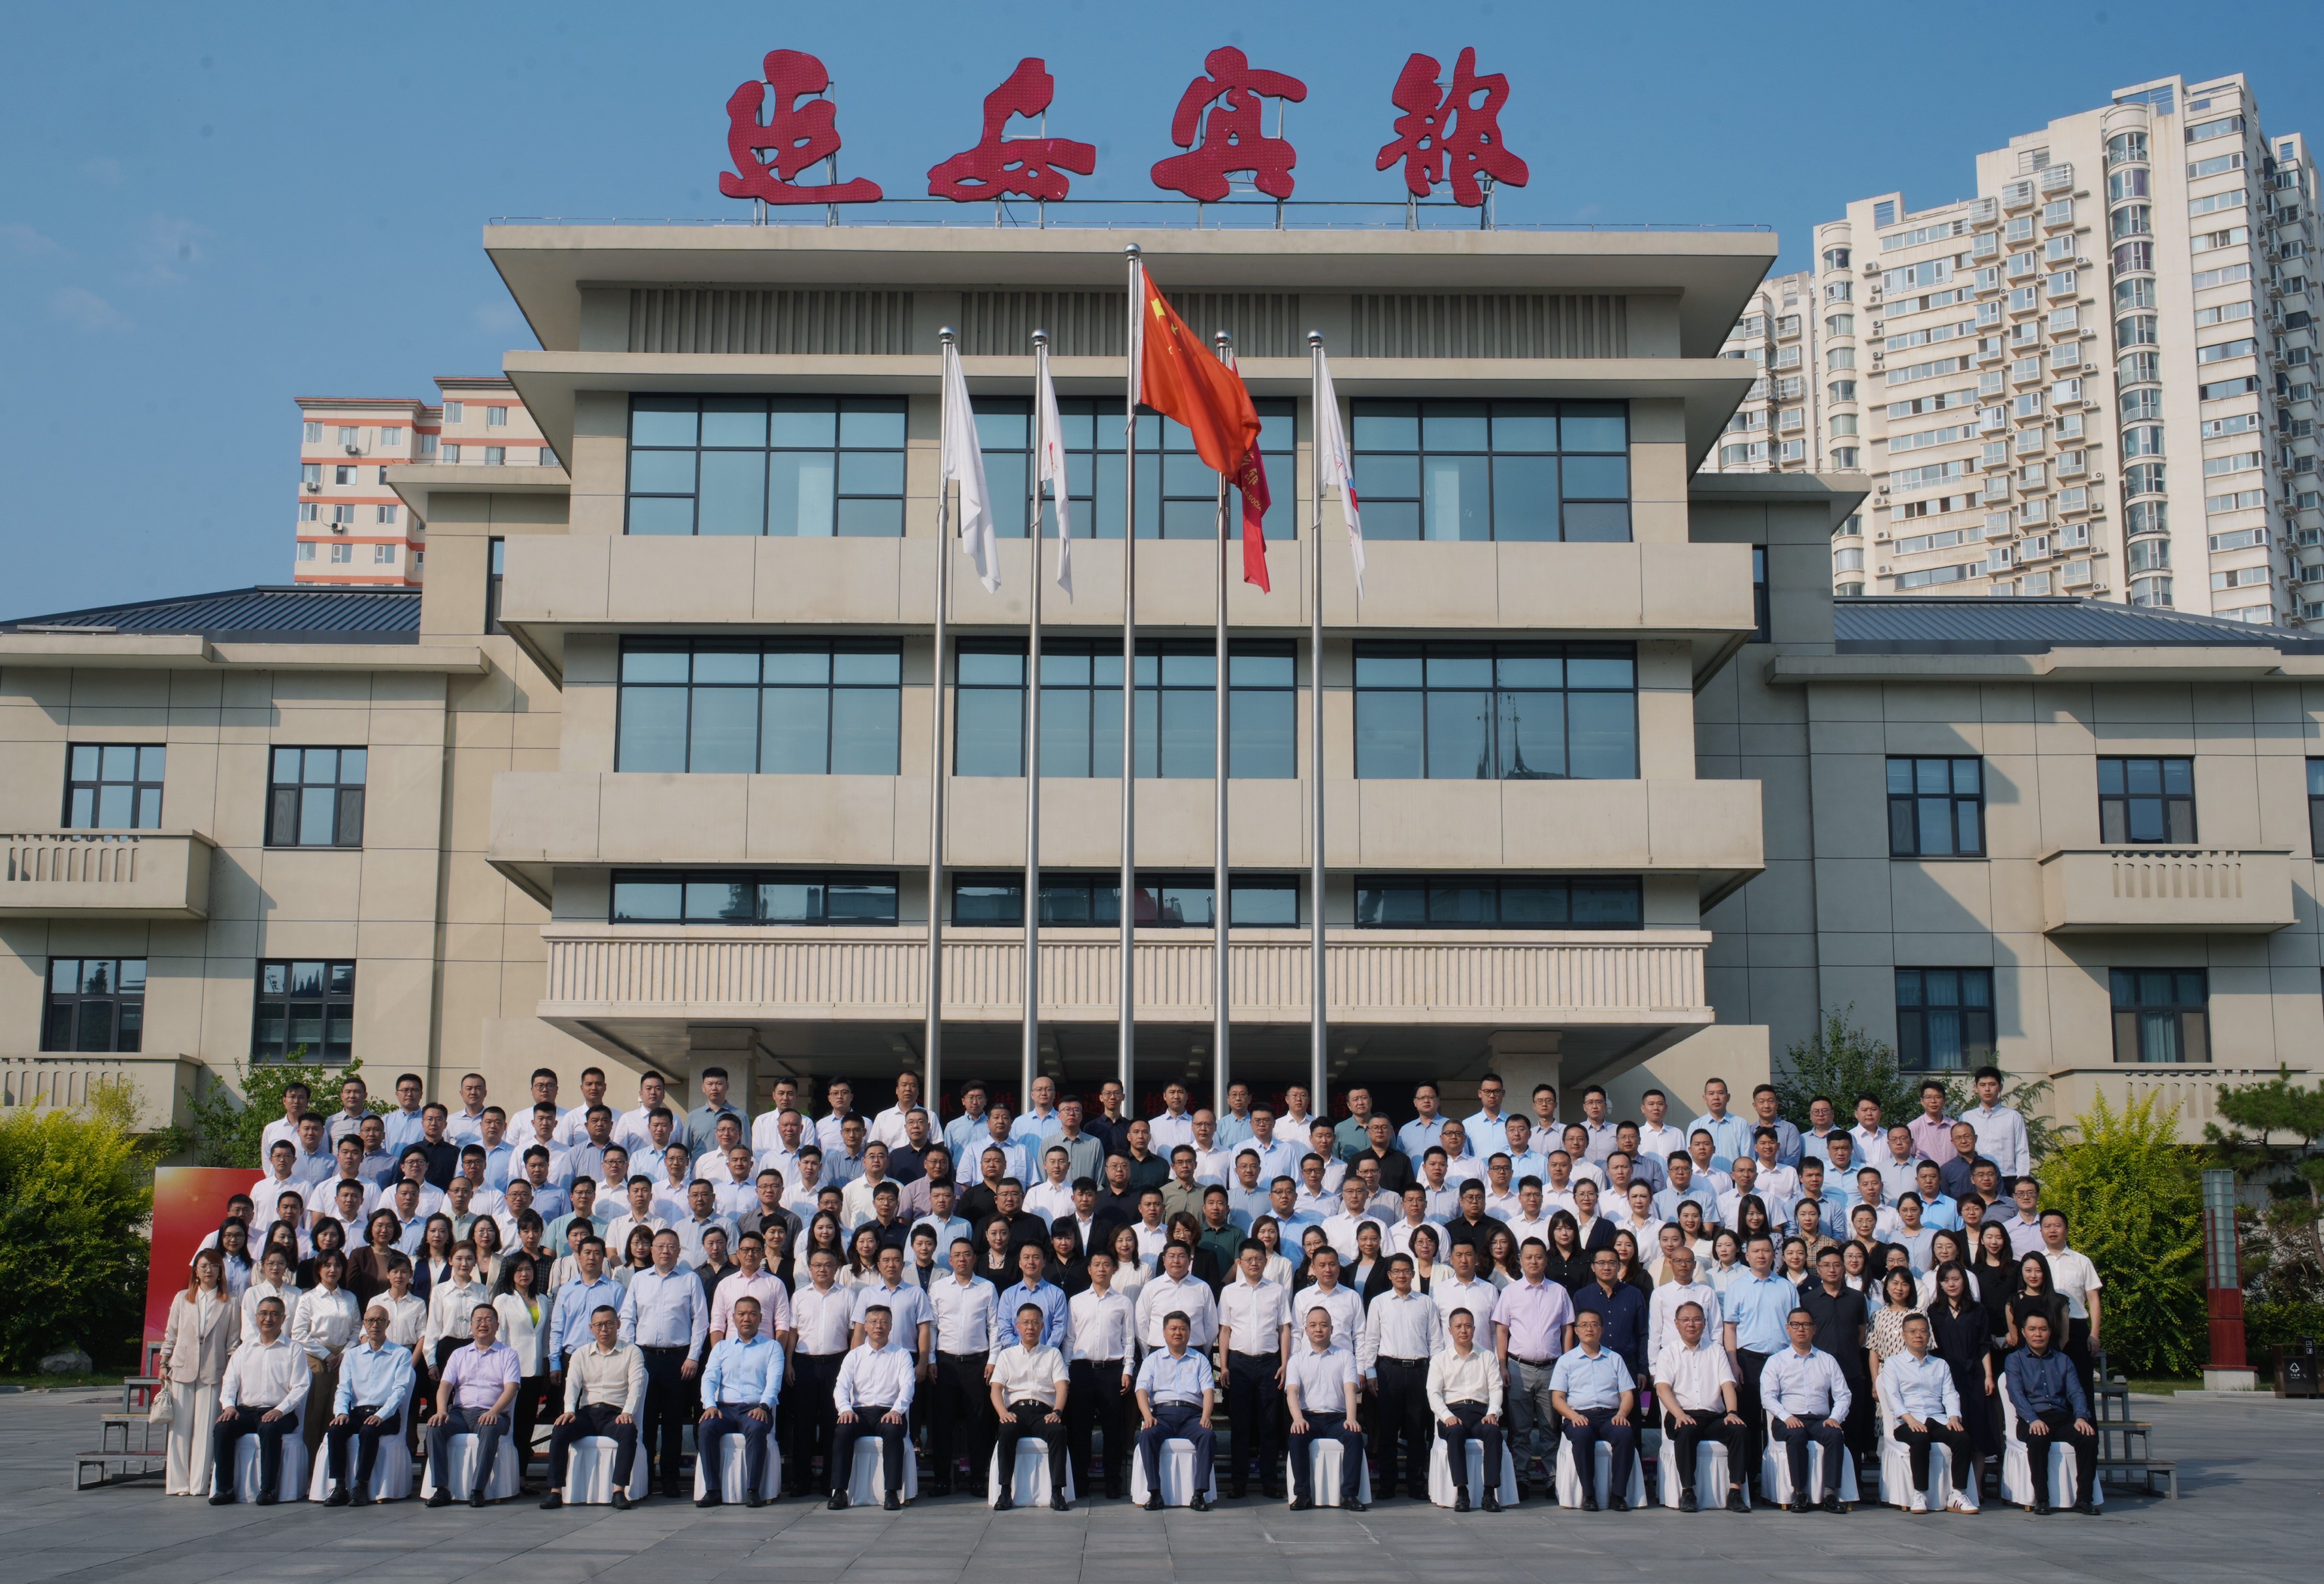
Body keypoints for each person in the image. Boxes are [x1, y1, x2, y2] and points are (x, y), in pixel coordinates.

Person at [620, 1227, 710, 1498]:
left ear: (679, 1251)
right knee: (645, 1421)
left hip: (678, 1360)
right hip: (644, 1358)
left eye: (671, 1247)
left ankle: (670, 1479)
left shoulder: (690, 1279)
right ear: (651, 1250)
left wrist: (693, 1356)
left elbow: (701, 1321)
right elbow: (628, 1318)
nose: (665, 1251)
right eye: (660, 1246)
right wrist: (630, 1356)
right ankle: (645, 1478)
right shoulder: (640, 1280)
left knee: (673, 1422)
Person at [540, 1303, 646, 1511]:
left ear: (618, 1324)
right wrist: (569, 1411)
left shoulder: (632, 1352)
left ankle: (619, 1491)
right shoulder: (581, 1354)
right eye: (598, 1325)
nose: (604, 1329)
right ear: (591, 1328)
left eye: (609, 1324)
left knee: (628, 1431)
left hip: (615, 1414)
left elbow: (637, 1385)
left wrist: (627, 1412)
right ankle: (555, 1491)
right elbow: (572, 1384)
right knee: (560, 1429)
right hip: (588, 1413)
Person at [208, 1294, 307, 1504]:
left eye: (274, 1314)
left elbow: (300, 1387)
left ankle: (268, 1489)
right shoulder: (244, 1349)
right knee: (223, 1428)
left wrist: (280, 1410)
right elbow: (229, 1382)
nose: (268, 1319)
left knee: (270, 1429)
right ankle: (224, 1489)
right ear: (256, 1317)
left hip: (280, 1412)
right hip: (246, 1411)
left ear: (283, 1318)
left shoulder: (294, 1349)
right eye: (263, 1314)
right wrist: (229, 1406)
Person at [1655, 1299, 1751, 1513]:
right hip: (1682, 1414)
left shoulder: (1716, 1350)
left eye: (1697, 1320)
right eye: (1686, 1320)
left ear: (1705, 1323)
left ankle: (1735, 1492)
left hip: (1713, 1417)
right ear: (1676, 1324)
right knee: (1686, 1430)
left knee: (1739, 1430)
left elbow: (1727, 1384)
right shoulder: (1667, 1353)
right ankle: (1688, 1492)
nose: (1691, 1324)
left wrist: (1732, 1412)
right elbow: (1662, 1389)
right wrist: (1679, 1415)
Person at [424, 1303, 522, 1508]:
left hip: (494, 1413)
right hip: (461, 1413)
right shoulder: (459, 1354)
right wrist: (441, 1411)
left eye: (488, 1320)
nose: (483, 1324)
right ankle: (441, 1489)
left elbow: (511, 1388)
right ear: (471, 1326)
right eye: (478, 1320)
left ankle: (477, 1490)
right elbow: (445, 1386)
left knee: (489, 1428)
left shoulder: (508, 1354)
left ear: (497, 1325)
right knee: (435, 1427)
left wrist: (494, 1411)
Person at [160, 1247, 240, 1496]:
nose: (209, 1271)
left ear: (220, 1271)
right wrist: (163, 1363)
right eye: (204, 1266)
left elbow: (233, 1342)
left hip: (213, 1369)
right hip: (182, 1367)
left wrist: (230, 1372)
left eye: (214, 1266)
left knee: (206, 1430)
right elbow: (171, 1334)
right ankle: (177, 1483)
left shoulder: (230, 1301)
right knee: (179, 1429)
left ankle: (198, 1484)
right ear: (196, 1271)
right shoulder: (182, 1298)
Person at [1880, 1311, 1977, 1513]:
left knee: (1962, 1438)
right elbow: (1893, 1397)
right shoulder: (1893, 1363)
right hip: (1907, 1421)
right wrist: (1909, 1420)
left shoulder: (1940, 1364)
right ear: (1904, 1335)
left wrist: (1953, 1417)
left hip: (1937, 1419)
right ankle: (1920, 1494)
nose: (1918, 1335)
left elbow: (1950, 1393)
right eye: (1913, 1331)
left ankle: (1958, 1494)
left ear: (1929, 1335)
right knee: (1920, 1438)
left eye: (1923, 1331)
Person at [2005, 1311, 2100, 1515]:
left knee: (2088, 1438)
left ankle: (2084, 1499)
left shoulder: (2063, 1360)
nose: (2038, 1334)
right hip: (2032, 1418)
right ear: (2023, 1332)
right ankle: (2042, 1499)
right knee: (2038, 1440)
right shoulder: (2015, 1360)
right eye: (2032, 1329)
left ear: (2050, 1332)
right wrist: (2033, 1419)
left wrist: (2081, 1417)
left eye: (2043, 1329)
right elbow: (2016, 1394)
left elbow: (2076, 1392)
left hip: (2061, 1417)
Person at [1217, 1238, 1291, 1499]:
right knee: (1240, 1426)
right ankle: (1239, 1483)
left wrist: (1284, 1364)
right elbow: (1225, 1331)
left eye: (1259, 1259)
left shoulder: (1277, 1291)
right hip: (1239, 1364)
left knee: (1269, 1425)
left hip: (1269, 1363)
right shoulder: (1230, 1292)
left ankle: (1269, 1482)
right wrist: (1224, 1366)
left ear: (1266, 1261)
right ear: (1240, 1262)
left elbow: (1284, 1329)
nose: (1254, 1264)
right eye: (1248, 1260)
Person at [1761, 1307, 1853, 1513]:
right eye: (1795, 1325)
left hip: (1820, 1420)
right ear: (1788, 1329)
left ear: (1814, 1329)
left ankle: (1830, 1494)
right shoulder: (1776, 1361)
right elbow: (1768, 1397)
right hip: (1788, 1420)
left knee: (1835, 1434)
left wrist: (1835, 1417)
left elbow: (1843, 1395)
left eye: (1806, 1325)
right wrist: (1786, 1417)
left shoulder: (1827, 1360)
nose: (1800, 1329)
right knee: (1796, 1435)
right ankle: (1800, 1493)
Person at [322, 1304, 416, 1505]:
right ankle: (339, 1486)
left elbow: (400, 1391)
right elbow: (343, 1389)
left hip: (387, 1415)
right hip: (357, 1412)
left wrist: (381, 1415)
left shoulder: (401, 1354)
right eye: (371, 1321)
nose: (375, 1325)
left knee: (369, 1430)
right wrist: (341, 1412)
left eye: (380, 1320)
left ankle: (361, 1486)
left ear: (388, 1324)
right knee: (336, 1429)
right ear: (364, 1324)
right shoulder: (352, 1355)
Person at [695, 1295, 783, 1508]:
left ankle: (753, 1490)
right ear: (733, 1318)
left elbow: (774, 1381)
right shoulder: (721, 1348)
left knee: (757, 1427)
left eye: (752, 1314)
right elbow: (709, 1378)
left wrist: (764, 1406)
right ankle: (713, 1490)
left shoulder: (772, 1347)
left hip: (755, 1408)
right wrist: (710, 1405)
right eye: (741, 1314)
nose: (746, 1319)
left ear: (760, 1318)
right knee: (706, 1427)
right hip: (725, 1409)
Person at [828, 1304, 915, 1511]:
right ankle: (839, 1491)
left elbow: (908, 1386)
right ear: (865, 1326)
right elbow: (841, 1386)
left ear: (891, 1326)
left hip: (889, 1412)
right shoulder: (854, 1355)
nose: (879, 1326)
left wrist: (897, 1410)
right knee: (843, 1430)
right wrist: (845, 1409)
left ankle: (891, 1492)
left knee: (894, 1431)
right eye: (874, 1322)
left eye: (884, 1322)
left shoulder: (902, 1354)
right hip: (860, 1413)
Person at [1549, 1309, 1637, 1511]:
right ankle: (1589, 1495)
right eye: (1584, 1325)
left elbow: (1627, 1395)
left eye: (1594, 1325)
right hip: (1579, 1415)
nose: (1589, 1329)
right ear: (1576, 1330)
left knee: (1625, 1434)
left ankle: (1618, 1495)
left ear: (1602, 1330)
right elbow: (1557, 1399)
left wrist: (1622, 1414)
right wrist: (1573, 1416)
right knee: (1582, 1435)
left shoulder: (1614, 1358)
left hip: (1610, 1416)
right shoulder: (1566, 1361)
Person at [989, 1302, 1072, 1511]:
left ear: (1042, 1326)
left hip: (1043, 1413)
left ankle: (1057, 1493)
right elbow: (996, 1389)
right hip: (1016, 1412)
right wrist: (1003, 1413)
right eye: (1025, 1323)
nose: (1030, 1327)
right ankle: (1005, 1492)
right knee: (1006, 1431)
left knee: (1058, 1432)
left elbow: (1062, 1386)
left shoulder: (1053, 1354)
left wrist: (1057, 1412)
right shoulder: (1007, 1355)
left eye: (1035, 1323)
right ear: (1017, 1326)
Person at [1068, 1248, 1136, 1500]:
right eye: (1096, 1265)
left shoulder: (1123, 1302)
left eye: (1106, 1265)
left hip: (1112, 1371)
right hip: (1082, 1370)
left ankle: (1113, 1481)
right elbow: (1069, 1339)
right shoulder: (1076, 1301)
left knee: (1113, 1429)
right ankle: (1080, 1481)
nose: (1101, 1269)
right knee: (1080, 1429)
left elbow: (1129, 1340)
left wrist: (1128, 1370)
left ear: (1114, 1269)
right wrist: (1066, 1371)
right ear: (1089, 1270)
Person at [1284, 1307, 1367, 1511]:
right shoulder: (1297, 1360)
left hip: (1337, 1419)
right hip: (1309, 1418)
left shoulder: (1345, 1356)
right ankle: (1302, 1495)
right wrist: (1298, 1419)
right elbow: (1292, 1392)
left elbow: (1350, 1389)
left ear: (1332, 1328)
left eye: (1323, 1325)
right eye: (1313, 1325)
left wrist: (1351, 1418)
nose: (1318, 1329)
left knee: (1355, 1435)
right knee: (1296, 1436)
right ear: (1306, 1330)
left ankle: (1349, 1495)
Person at [1133, 1311, 1215, 1511]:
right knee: (1147, 1435)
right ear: (1164, 1332)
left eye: (1183, 1329)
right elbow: (1141, 1390)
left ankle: (1199, 1494)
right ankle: (1155, 1494)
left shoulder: (1199, 1360)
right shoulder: (1153, 1360)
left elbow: (1208, 1391)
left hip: (1192, 1417)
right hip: (1162, 1416)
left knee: (1207, 1435)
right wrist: (1147, 1416)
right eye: (1173, 1328)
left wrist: (1206, 1417)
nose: (1178, 1333)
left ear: (1189, 1332)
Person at [1427, 1304, 1505, 1513]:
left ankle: (1489, 1493)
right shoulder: (1440, 1359)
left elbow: (1496, 1388)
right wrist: (1446, 1416)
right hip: (1453, 1413)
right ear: (1450, 1330)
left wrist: (1493, 1412)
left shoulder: (1487, 1356)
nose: (1464, 1330)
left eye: (1468, 1326)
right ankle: (1462, 1492)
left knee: (1493, 1432)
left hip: (1481, 1413)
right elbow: (1433, 1393)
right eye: (1459, 1326)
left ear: (1474, 1329)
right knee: (1455, 1433)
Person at [493, 1255, 555, 1483]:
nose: (524, 1274)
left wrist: (547, 1367)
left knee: (526, 1426)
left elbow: (545, 1338)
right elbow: (500, 1338)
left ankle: (520, 1477)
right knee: (510, 1425)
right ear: (511, 1273)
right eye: (519, 1270)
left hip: (535, 1372)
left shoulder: (543, 1299)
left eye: (528, 1269)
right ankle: (504, 1478)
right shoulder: (503, 1300)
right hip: (511, 1372)